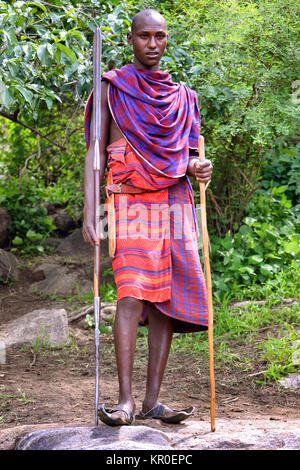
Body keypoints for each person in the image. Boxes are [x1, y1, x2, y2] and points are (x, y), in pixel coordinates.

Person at [82, 9, 213, 426]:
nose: (152, 44)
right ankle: (124, 401)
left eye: (159, 37)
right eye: (144, 37)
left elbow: (188, 157)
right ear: (131, 39)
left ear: (166, 38)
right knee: (132, 293)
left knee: (165, 299)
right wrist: (90, 210)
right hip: (128, 200)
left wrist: (198, 168)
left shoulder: (183, 98)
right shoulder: (112, 88)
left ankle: (153, 402)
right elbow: (95, 154)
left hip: (174, 201)